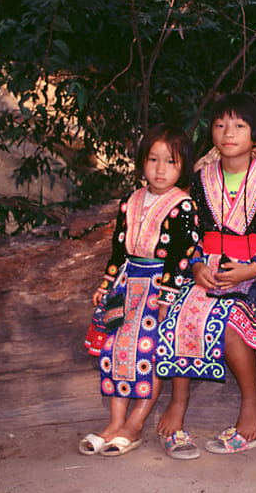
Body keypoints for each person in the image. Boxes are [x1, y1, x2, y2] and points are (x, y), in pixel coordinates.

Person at [154, 93, 256, 458]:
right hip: (209, 270)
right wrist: (197, 266)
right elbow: (189, 233)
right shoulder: (201, 180)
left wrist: (250, 269)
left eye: (239, 125)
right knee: (178, 313)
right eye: (220, 125)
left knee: (232, 323)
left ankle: (252, 399)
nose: (228, 133)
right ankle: (178, 401)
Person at [79, 124, 200, 457]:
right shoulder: (130, 202)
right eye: (153, 159)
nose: (160, 169)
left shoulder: (182, 205)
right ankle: (114, 422)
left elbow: (182, 256)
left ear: (183, 167)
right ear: (142, 162)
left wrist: (168, 297)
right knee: (115, 348)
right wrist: (107, 284)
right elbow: (119, 251)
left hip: (160, 289)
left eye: (171, 162)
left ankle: (135, 423)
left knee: (149, 352)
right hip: (127, 284)